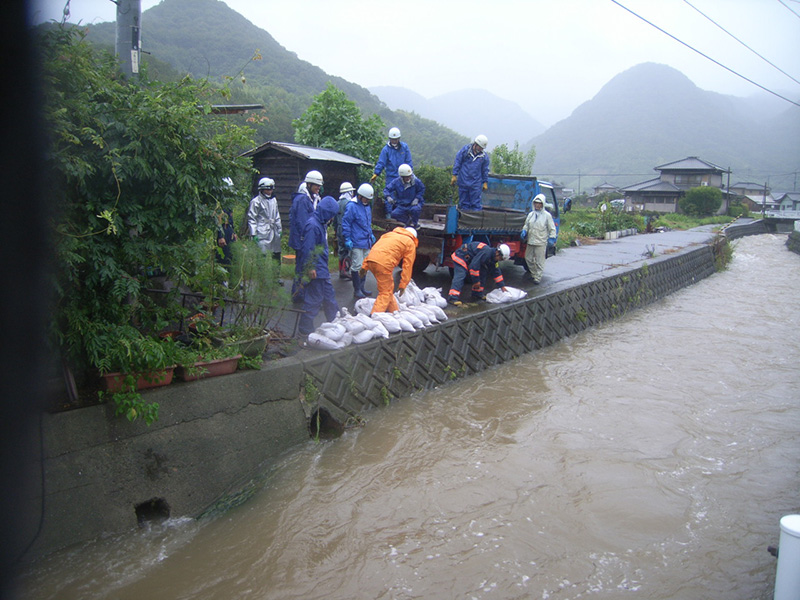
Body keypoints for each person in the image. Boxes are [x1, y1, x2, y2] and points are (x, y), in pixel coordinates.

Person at [297, 196, 340, 336]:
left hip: (323, 269)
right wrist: (310, 267)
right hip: (316, 269)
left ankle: (336, 323)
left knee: (329, 297)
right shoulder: (313, 225)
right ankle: (305, 328)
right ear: (327, 212)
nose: (332, 219)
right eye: (332, 215)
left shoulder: (321, 223)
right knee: (314, 300)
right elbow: (307, 248)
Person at [361, 226, 418, 314]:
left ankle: (395, 312)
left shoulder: (389, 235)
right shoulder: (410, 242)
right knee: (385, 292)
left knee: (387, 288)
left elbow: (376, 248)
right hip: (384, 265)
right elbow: (407, 266)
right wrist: (403, 284)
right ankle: (375, 316)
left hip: (371, 261)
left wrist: (364, 266)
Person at [289, 170, 323, 303]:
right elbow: (303, 223)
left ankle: (298, 294)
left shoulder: (310, 199)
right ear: (308, 184)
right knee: (302, 267)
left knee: (302, 266)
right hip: (301, 240)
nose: (318, 188)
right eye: (316, 185)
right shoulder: (303, 200)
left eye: (319, 185)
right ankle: (299, 294)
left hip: (303, 239)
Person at [342, 183, 376, 299]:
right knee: (356, 265)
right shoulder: (352, 206)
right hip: (356, 241)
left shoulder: (367, 207)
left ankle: (362, 287)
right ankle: (356, 290)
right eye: (366, 198)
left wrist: (370, 234)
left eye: (369, 199)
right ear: (360, 196)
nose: (367, 201)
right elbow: (346, 223)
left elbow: (367, 223)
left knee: (365, 265)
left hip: (366, 241)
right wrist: (347, 238)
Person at [521, 193, 557, 285]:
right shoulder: (531, 214)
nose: (537, 205)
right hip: (531, 241)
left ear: (543, 204)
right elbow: (526, 225)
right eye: (536, 203)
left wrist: (552, 239)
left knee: (539, 261)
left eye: (539, 203)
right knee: (528, 258)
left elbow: (552, 228)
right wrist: (524, 231)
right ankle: (534, 274)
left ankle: (538, 277)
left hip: (541, 242)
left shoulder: (547, 216)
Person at [246, 177, 281, 266]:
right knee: (262, 256)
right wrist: (253, 233)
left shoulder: (274, 200)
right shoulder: (255, 202)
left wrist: (279, 229)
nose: (270, 192)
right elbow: (252, 218)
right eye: (267, 190)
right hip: (262, 230)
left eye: (271, 189)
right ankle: (262, 278)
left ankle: (275, 277)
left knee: (276, 255)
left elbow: (277, 215)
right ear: (261, 189)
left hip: (274, 230)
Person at [451, 134, 490, 211]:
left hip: (475, 183)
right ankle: (464, 220)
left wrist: (485, 182)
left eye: (482, 148)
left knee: (475, 204)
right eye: (480, 147)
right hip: (463, 180)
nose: (481, 149)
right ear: (476, 144)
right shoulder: (465, 151)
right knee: (464, 204)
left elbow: (485, 170)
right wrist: (454, 175)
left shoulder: (484, 157)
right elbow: (458, 161)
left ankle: (475, 221)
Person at [336, 182, 356, 280]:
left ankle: (341, 271)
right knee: (348, 251)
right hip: (346, 229)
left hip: (339, 229)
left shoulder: (337, 203)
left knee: (341, 250)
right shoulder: (349, 203)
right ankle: (346, 271)